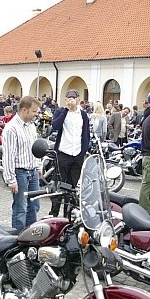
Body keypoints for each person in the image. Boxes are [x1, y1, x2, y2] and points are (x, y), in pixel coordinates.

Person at [2, 96, 42, 232]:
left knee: (34, 206)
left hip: (33, 172)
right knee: (20, 209)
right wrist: (11, 180)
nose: (36, 115)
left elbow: (35, 148)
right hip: (20, 174)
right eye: (34, 112)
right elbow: (8, 156)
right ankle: (18, 239)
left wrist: (38, 166)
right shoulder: (11, 129)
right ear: (24, 110)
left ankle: (31, 237)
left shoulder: (31, 126)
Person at [48, 89, 90, 217]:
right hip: (63, 153)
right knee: (59, 184)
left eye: (74, 98)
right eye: (69, 98)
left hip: (77, 154)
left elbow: (86, 134)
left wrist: (83, 152)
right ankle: (54, 213)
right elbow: (55, 126)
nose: (71, 101)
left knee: (71, 187)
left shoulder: (83, 114)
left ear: (78, 100)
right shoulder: (61, 111)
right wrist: (66, 110)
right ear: (66, 99)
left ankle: (68, 214)